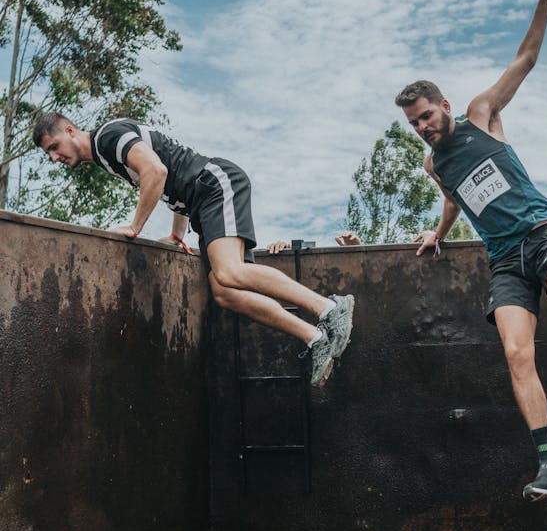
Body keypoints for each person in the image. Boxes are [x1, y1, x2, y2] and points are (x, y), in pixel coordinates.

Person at [394, 0, 547, 502]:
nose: (423, 127)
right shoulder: (434, 165)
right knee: (517, 354)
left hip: (543, 234)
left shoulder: (481, 114)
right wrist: (437, 231)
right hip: (503, 259)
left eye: (426, 115)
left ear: (444, 107)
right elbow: (455, 200)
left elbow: (527, 58)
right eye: (414, 123)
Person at [32, 114, 354, 387]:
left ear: (70, 131)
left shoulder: (107, 137)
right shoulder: (106, 154)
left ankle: (329, 309)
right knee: (225, 291)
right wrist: (175, 235)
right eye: (49, 153)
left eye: (54, 147)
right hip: (200, 202)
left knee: (229, 272)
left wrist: (135, 227)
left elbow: (155, 172)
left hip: (215, 184)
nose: (54, 157)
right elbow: (170, 182)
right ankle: (315, 338)